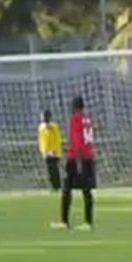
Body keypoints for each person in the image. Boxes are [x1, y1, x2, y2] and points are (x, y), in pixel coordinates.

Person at [56, 95, 96, 231]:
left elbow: (77, 141)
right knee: (87, 191)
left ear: (73, 107)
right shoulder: (87, 119)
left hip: (77, 158)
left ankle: (64, 221)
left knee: (66, 188)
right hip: (88, 157)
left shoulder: (75, 119)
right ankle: (88, 221)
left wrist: (78, 161)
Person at [38, 109, 63, 192]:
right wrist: (43, 151)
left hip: (54, 152)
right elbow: (41, 140)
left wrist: (55, 151)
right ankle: (54, 187)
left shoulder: (54, 127)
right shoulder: (41, 128)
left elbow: (57, 139)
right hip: (47, 153)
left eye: (44, 116)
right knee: (50, 170)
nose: (42, 118)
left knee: (54, 169)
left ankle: (57, 187)